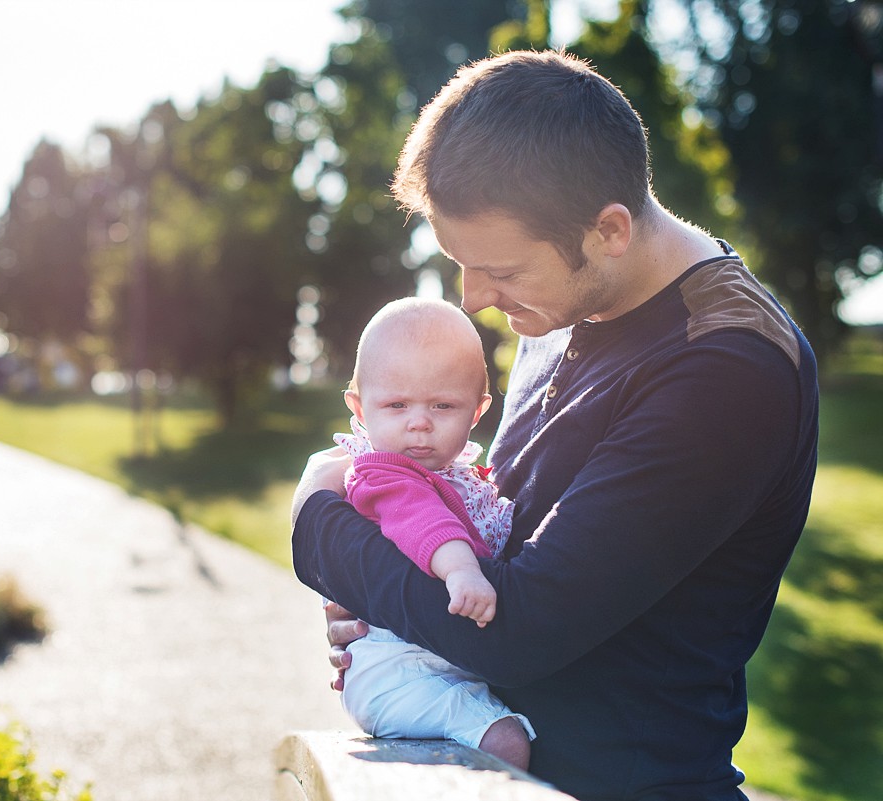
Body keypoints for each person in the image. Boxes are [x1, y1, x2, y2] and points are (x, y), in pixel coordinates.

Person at [290, 49, 819, 801]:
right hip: (490, 770)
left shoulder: (727, 366)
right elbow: (496, 540)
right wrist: (394, 621)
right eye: (462, 265)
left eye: (500, 271)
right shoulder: (559, 308)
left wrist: (319, 518)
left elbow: (522, 629)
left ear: (608, 230)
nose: (474, 300)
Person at [328, 296, 532, 767]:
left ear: (477, 412)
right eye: (396, 404)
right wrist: (462, 570)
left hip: (437, 662)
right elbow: (420, 519)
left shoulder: (462, 476)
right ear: (359, 407)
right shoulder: (380, 473)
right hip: (399, 672)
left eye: (443, 405)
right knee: (505, 743)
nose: (419, 422)